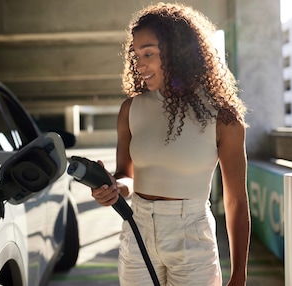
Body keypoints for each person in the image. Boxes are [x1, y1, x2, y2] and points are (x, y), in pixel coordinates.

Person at [90, 2, 250, 285]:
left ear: (177, 51)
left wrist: (239, 274)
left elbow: (236, 200)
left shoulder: (223, 116)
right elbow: (126, 174)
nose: (139, 65)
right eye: (136, 55)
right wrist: (114, 188)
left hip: (191, 236)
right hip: (136, 230)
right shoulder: (131, 109)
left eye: (148, 53)